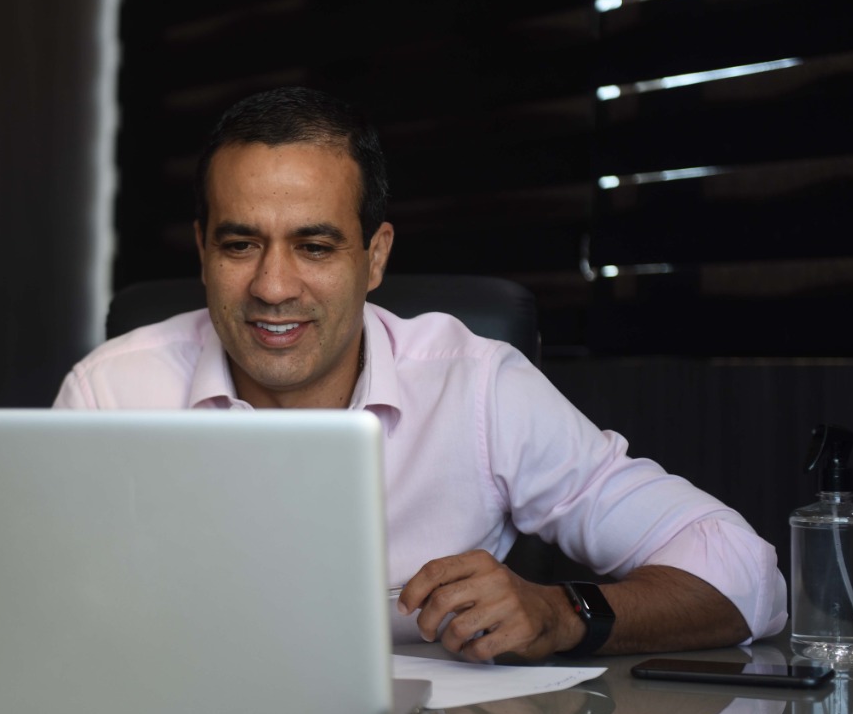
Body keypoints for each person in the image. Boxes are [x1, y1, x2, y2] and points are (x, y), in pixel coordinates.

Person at [53, 86, 787, 661]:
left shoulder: (478, 388)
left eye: (315, 247)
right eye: (241, 244)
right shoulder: (109, 392)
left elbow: (745, 573)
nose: (274, 287)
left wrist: (560, 614)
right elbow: (24, 613)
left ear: (375, 256)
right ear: (202, 251)